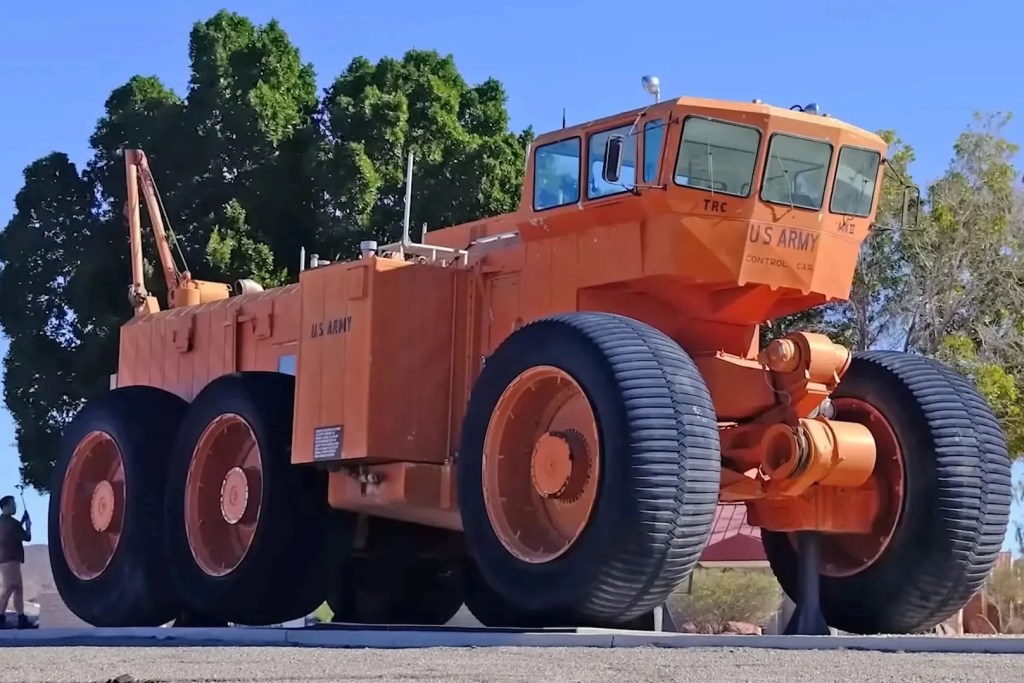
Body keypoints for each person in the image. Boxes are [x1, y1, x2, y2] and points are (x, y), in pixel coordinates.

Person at [0, 494, 33, 629]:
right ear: (6, 506)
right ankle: (4, 617)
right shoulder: (11, 523)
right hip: (11, 560)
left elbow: (12, 533)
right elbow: (26, 537)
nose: (15, 507)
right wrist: (28, 526)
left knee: (16, 588)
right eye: (13, 504)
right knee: (11, 588)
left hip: (5, 560)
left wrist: (21, 522)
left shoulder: (5, 522)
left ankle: (20, 618)